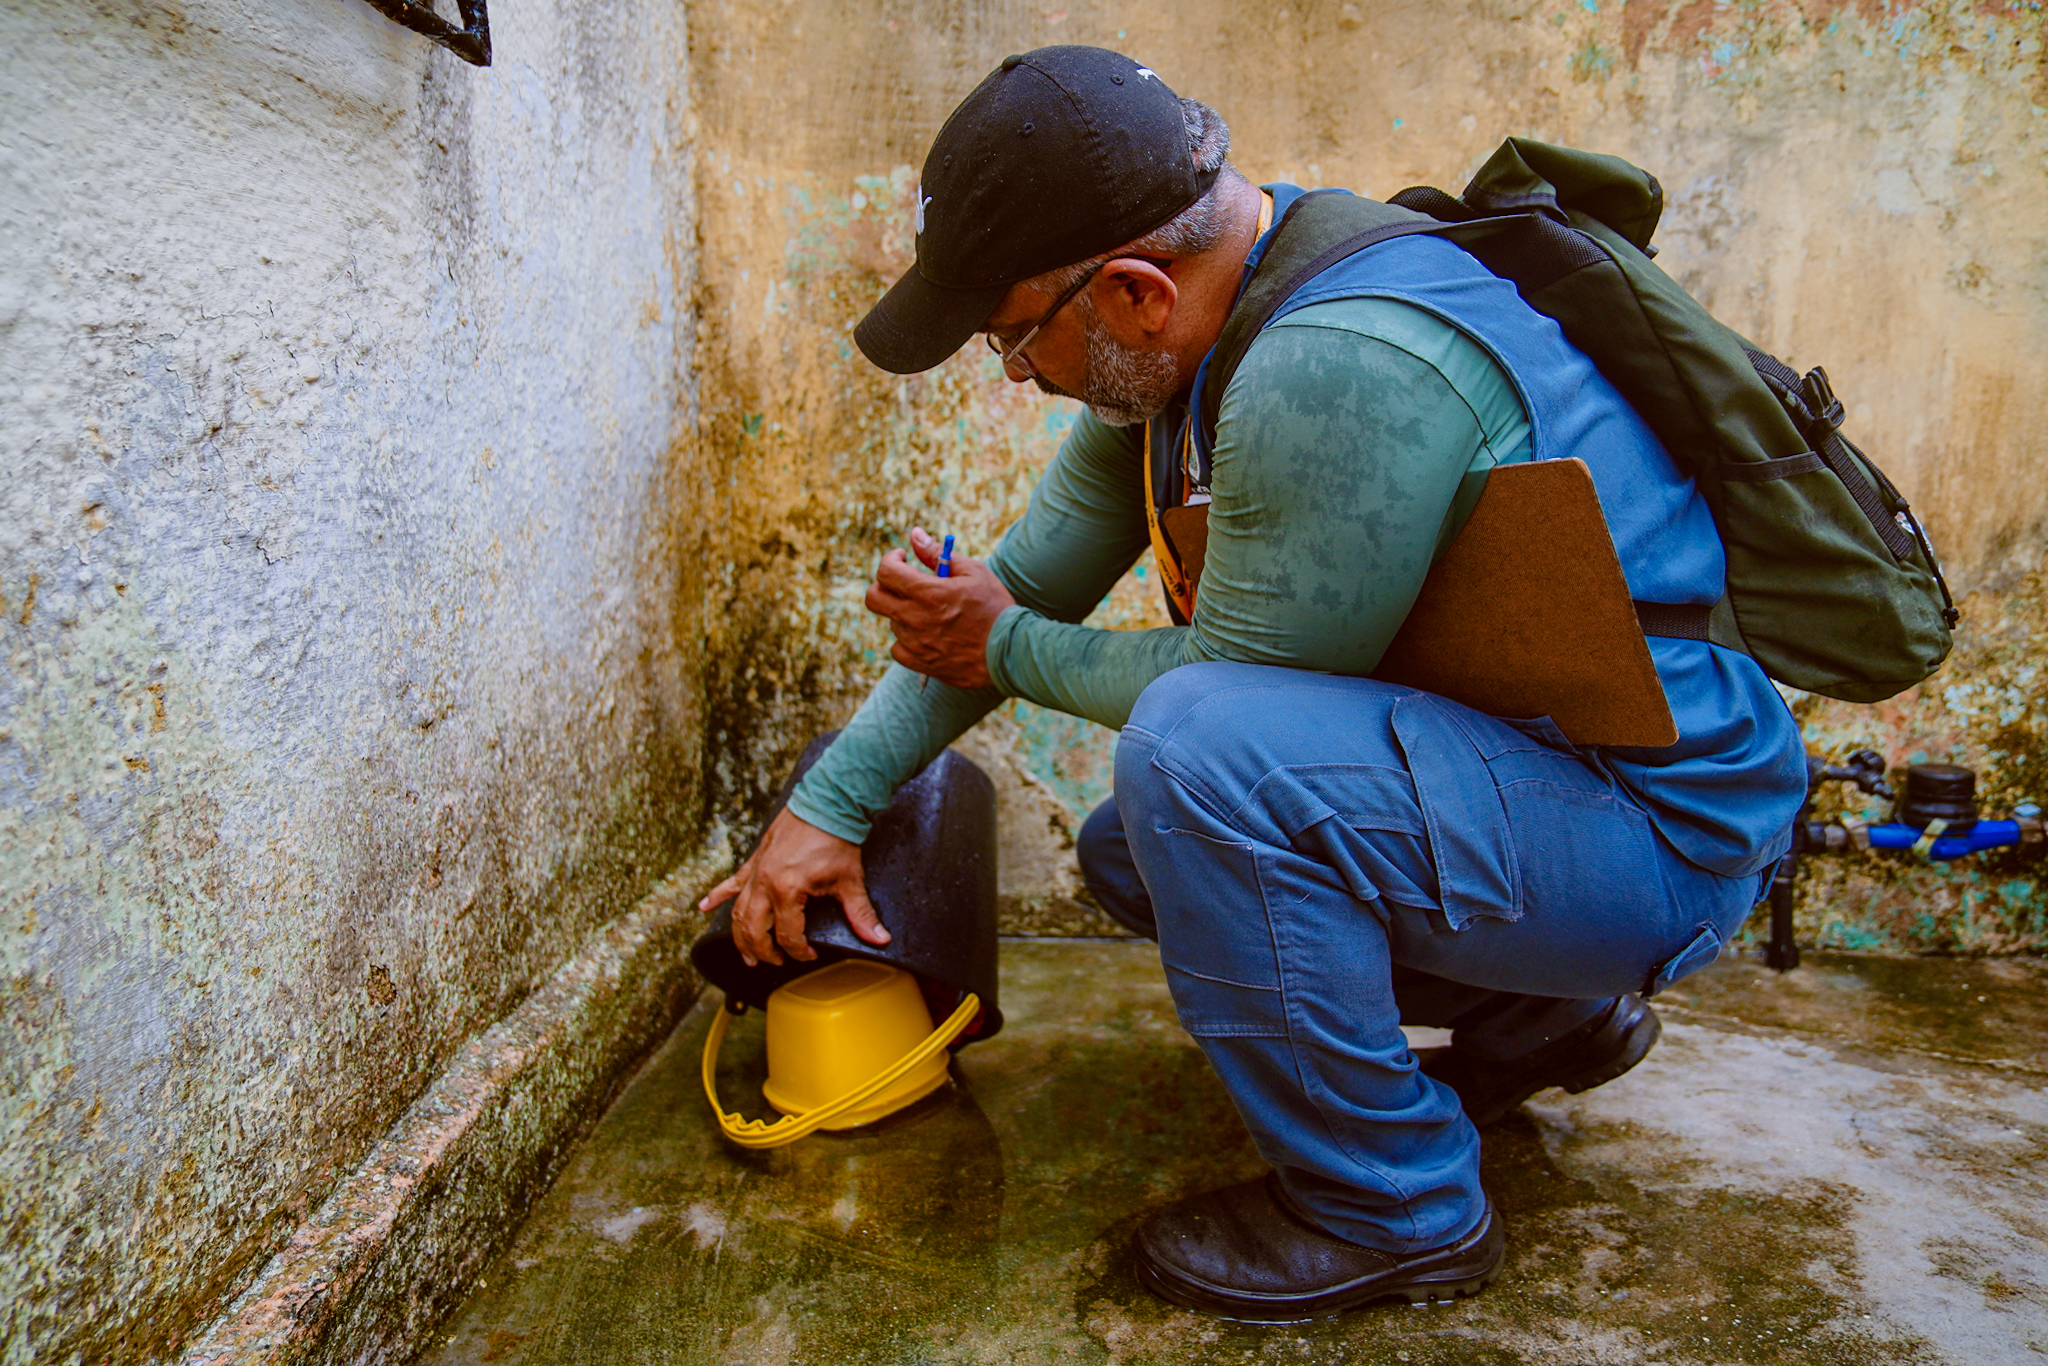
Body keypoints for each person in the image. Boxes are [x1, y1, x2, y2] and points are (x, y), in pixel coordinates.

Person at [698, 45, 1807, 1320]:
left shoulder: (1332, 360)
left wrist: (998, 645)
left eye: (1011, 338)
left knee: (1194, 755)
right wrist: (826, 807)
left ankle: (1393, 1209)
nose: (1016, 376)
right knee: (1134, 850)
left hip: (1659, 832)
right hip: (1544, 787)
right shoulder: (1193, 353)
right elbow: (1016, 589)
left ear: (1132, 291)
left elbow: (1204, 680)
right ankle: (1540, 1018)